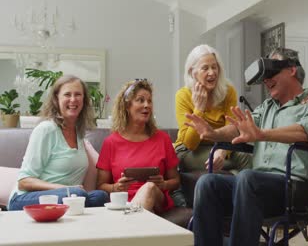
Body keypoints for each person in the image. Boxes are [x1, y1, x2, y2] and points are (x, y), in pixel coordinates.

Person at [186, 47, 308, 246]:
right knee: (207, 184)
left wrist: (263, 134)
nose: (266, 80)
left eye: (271, 73)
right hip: (255, 187)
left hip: (298, 188)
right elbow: (238, 128)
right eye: (264, 77)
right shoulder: (266, 107)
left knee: (247, 178)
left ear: (292, 70)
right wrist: (213, 134)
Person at [8, 75, 109, 210]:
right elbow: (24, 182)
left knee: (100, 196)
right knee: (76, 193)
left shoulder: (79, 134)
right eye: (67, 94)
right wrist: (65, 189)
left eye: (78, 94)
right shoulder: (46, 129)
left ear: (84, 100)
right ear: (56, 99)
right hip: (24, 199)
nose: (73, 99)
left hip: (66, 198)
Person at [96, 79, 180, 214]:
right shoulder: (110, 142)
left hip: (157, 198)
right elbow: (100, 186)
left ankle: (131, 224)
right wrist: (116, 187)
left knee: (149, 188)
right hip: (123, 202)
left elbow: (176, 180)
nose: (147, 105)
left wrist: (163, 184)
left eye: (149, 101)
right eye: (140, 100)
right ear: (127, 106)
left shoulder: (162, 139)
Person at [174, 44, 251, 173]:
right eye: (205, 68)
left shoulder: (228, 92)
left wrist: (222, 151)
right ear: (193, 72)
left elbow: (232, 129)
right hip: (189, 151)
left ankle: (242, 187)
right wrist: (199, 108)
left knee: (246, 158)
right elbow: (190, 143)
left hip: (220, 145)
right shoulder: (183, 95)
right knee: (227, 164)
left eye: (214, 67)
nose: (212, 73)